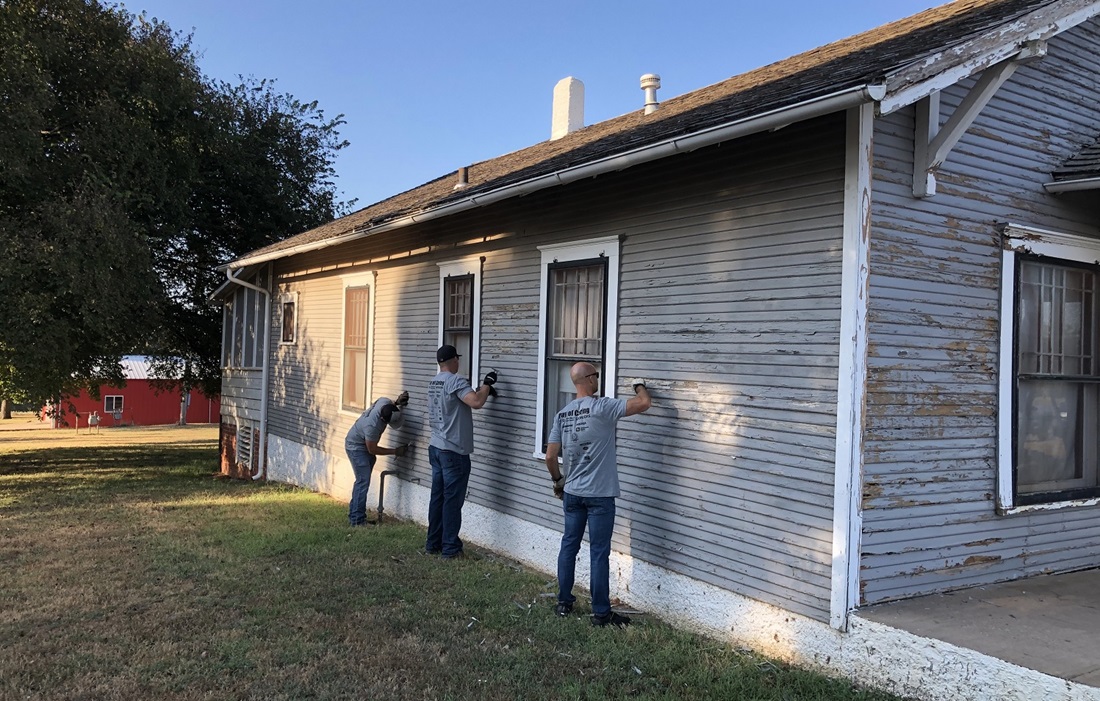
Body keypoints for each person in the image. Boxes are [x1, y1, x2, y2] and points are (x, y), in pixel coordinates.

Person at [545, 363, 651, 627]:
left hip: (572, 493)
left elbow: (550, 456)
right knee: (599, 552)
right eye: (596, 376)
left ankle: (564, 602)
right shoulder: (603, 407)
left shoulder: (562, 414)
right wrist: (639, 384)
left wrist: (558, 480)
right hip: (600, 496)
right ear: (589, 379)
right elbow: (643, 403)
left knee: (569, 545)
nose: (598, 380)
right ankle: (601, 613)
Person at [425, 344, 497, 558]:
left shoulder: (434, 382)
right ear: (454, 360)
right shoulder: (455, 380)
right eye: (458, 359)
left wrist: (479, 390)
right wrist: (486, 385)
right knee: (452, 501)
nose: (459, 362)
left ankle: (433, 544)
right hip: (453, 451)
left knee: (437, 498)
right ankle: (450, 549)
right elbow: (475, 402)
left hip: (436, 447)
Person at [345, 391, 411, 526]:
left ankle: (354, 515)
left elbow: (389, 404)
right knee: (363, 482)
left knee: (361, 482)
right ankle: (357, 520)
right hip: (356, 447)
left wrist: (397, 402)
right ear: (383, 420)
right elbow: (372, 449)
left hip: (363, 444)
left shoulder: (384, 402)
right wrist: (395, 451)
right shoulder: (372, 426)